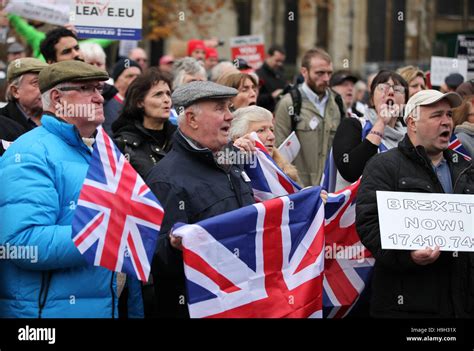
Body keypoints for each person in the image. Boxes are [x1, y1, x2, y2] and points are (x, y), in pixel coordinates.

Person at [0, 60, 143, 318]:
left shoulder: (104, 151)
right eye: (87, 89)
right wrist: (105, 232)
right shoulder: (31, 153)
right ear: (57, 98)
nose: (99, 98)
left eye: (99, 89)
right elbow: (21, 242)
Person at [356, 89, 474, 318]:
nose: (446, 122)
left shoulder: (465, 167)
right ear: (412, 123)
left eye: (449, 115)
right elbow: (368, 224)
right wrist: (408, 256)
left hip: (461, 304)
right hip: (407, 304)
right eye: (436, 115)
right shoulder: (384, 166)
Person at [147, 81, 256, 318]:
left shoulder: (233, 161)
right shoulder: (166, 179)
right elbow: (155, 257)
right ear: (192, 119)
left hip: (242, 300)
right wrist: (174, 247)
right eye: (219, 109)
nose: (230, 116)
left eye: (229, 108)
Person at [274, 47, 342, 187]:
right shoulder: (289, 104)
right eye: (320, 73)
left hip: (330, 190)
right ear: (304, 72)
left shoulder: (337, 103)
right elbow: (279, 153)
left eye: (329, 73)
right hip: (300, 190)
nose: (326, 78)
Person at [331, 70, 408, 191]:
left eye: (398, 89)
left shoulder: (409, 138)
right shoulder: (353, 125)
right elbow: (350, 171)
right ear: (372, 99)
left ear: (405, 102)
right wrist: (381, 123)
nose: (391, 92)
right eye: (383, 88)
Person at [113, 68, 177, 179]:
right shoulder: (124, 145)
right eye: (158, 94)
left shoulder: (180, 139)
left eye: (168, 94)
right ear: (139, 102)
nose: (167, 99)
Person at [230, 105, 300, 183]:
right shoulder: (229, 172)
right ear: (238, 138)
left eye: (272, 129)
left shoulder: (286, 172)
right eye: (261, 130)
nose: (272, 137)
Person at [0, 58, 48, 132]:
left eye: (46, 82)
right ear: (15, 91)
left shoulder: (60, 117)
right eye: (36, 83)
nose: (45, 88)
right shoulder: (3, 123)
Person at [103, 58, 142, 134]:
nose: (135, 79)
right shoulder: (106, 103)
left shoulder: (144, 105)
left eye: (138, 76)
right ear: (117, 80)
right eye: (130, 76)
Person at [255, 45, 287, 112]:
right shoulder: (258, 74)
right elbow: (255, 98)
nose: (280, 64)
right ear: (268, 56)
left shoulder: (281, 73)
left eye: (281, 61)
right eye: (277, 60)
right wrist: (271, 96)